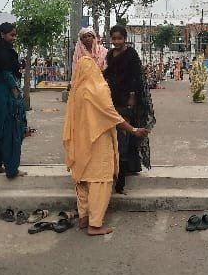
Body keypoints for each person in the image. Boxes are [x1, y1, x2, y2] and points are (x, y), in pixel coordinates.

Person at [63, 57, 149, 235]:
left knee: (82, 179)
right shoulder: (98, 88)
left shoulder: (76, 91)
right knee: (100, 179)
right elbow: (111, 115)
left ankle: (84, 217)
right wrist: (133, 129)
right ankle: (95, 225)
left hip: (80, 140)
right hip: (98, 140)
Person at [103, 25, 155, 194]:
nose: (117, 41)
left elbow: (136, 76)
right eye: (114, 38)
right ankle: (126, 167)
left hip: (127, 99)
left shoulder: (131, 54)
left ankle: (121, 181)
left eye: (120, 38)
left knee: (124, 136)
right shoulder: (110, 54)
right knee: (117, 136)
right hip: (113, 98)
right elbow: (108, 74)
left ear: (125, 38)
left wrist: (132, 97)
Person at [0, 23, 27, 179]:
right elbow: (7, 73)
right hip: (7, 95)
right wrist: (16, 92)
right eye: (12, 35)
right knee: (12, 133)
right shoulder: (4, 51)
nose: (14, 38)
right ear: (2, 34)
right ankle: (12, 169)